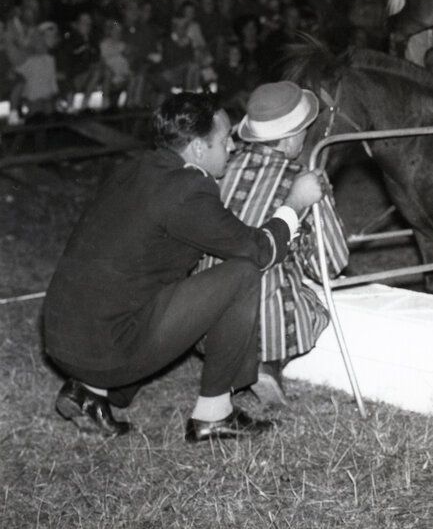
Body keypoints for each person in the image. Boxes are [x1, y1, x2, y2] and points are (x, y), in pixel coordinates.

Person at [42, 92, 326, 441]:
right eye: (225, 141)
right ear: (197, 149)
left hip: (61, 336)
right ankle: (213, 414)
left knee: (138, 287)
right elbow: (259, 251)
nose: (233, 148)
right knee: (242, 274)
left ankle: (89, 394)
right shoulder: (188, 190)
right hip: (105, 351)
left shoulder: (139, 167)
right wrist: (294, 202)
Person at [198, 81, 350, 407]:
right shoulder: (303, 180)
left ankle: (232, 356)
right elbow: (332, 264)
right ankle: (268, 361)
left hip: (201, 319)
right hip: (263, 316)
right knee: (314, 307)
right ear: (293, 136)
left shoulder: (218, 169)